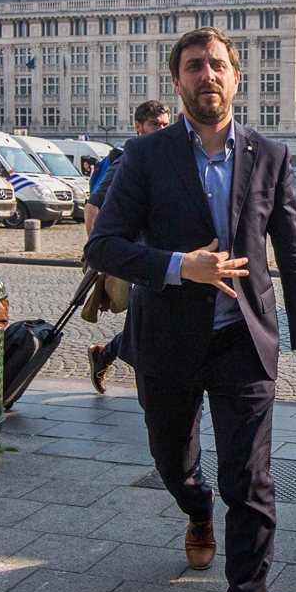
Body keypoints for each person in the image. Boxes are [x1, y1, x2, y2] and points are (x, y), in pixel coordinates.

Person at [86, 27, 296, 592]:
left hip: (244, 340)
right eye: (194, 66)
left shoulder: (270, 156)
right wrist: (175, 266)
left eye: (217, 64)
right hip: (167, 338)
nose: (206, 75)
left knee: (249, 482)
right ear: (178, 82)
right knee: (173, 459)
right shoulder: (145, 156)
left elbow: (294, 251)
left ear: (235, 77)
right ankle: (195, 507)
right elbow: (102, 244)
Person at [85, 100, 172, 393]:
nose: (160, 130)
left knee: (148, 326)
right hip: (133, 259)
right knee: (150, 328)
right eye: (153, 125)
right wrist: (101, 253)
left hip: (157, 257)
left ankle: (105, 354)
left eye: (164, 124)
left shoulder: (163, 157)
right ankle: (150, 390)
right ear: (138, 127)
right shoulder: (128, 160)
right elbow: (92, 207)